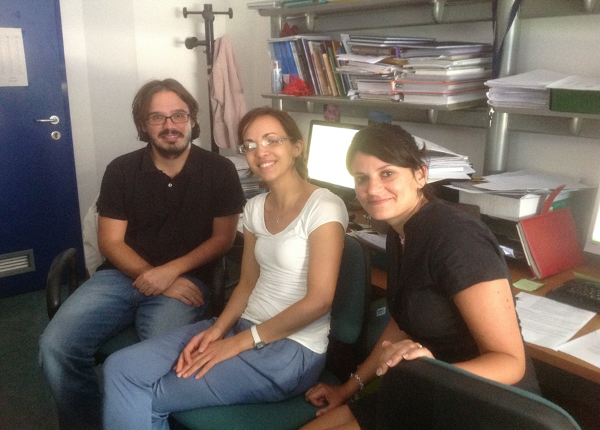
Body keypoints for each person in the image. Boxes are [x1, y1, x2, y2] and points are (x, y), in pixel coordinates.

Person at [101, 107, 349, 429]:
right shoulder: (256, 207)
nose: (260, 152)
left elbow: (319, 301)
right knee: (120, 367)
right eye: (250, 145)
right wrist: (217, 331)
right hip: (241, 326)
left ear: (297, 147)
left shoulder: (325, 206)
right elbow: (246, 283)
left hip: (291, 351)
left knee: (149, 394)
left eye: (271, 140)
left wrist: (234, 344)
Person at [301, 122, 539, 430]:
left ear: (420, 175)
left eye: (387, 173)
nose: (372, 189)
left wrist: (434, 371)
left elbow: (510, 362)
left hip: (485, 405)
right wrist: (348, 388)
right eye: (362, 178)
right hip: (431, 388)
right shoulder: (399, 231)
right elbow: (403, 322)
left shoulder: (457, 239)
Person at [39, 78, 245, 430]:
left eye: (179, 115)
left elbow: (222, 239)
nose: (170, 126)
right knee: (54, 347)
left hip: (186, 284)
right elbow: (111, 242)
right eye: (157, 118)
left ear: (192, 120)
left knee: (160, 364)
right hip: (119, 277)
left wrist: (169, 274)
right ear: (142, 125)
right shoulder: (121, 170)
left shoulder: (220, 170)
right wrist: (153, 275)